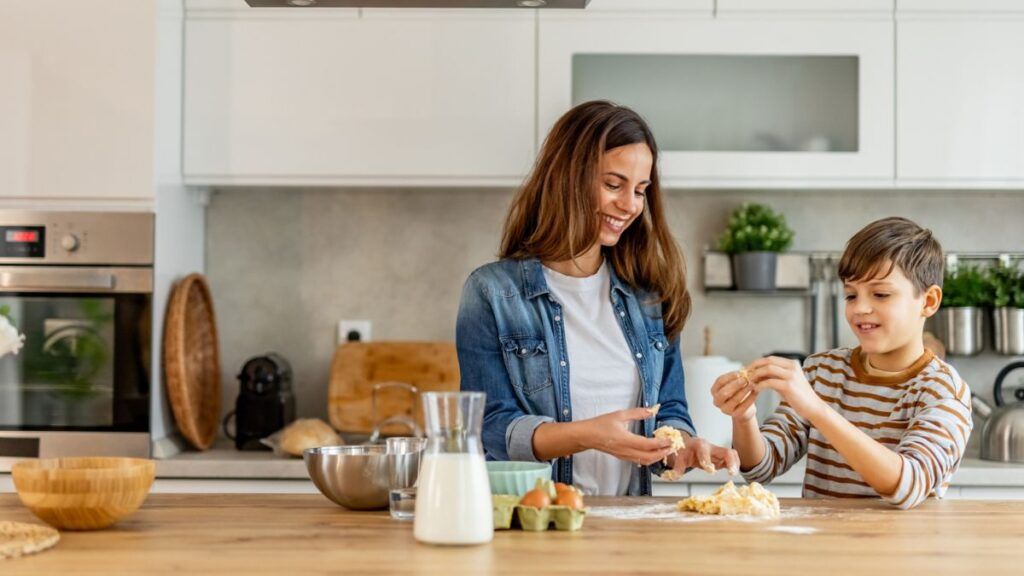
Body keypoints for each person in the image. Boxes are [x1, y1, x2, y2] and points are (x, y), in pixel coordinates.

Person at [456, 100, 739, 497]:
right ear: (567, 178)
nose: (629, 205)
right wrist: (587, 435)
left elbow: (669, 412)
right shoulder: (493, 293)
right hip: (536, 523)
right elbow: (491, 428)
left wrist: (684, 447)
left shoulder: (649, 295)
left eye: (640, 190)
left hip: (627, 530)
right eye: (613, 184)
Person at [713, 217, 972, 509]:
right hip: (824, 549)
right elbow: (761, 467)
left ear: (928, 301)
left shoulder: (943, 390)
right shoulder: (822, 372)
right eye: (851, 294)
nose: (860, 308)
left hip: (903, 552)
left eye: (881, 294)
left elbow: (908, 485)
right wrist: (744, 416)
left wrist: (817, 409)